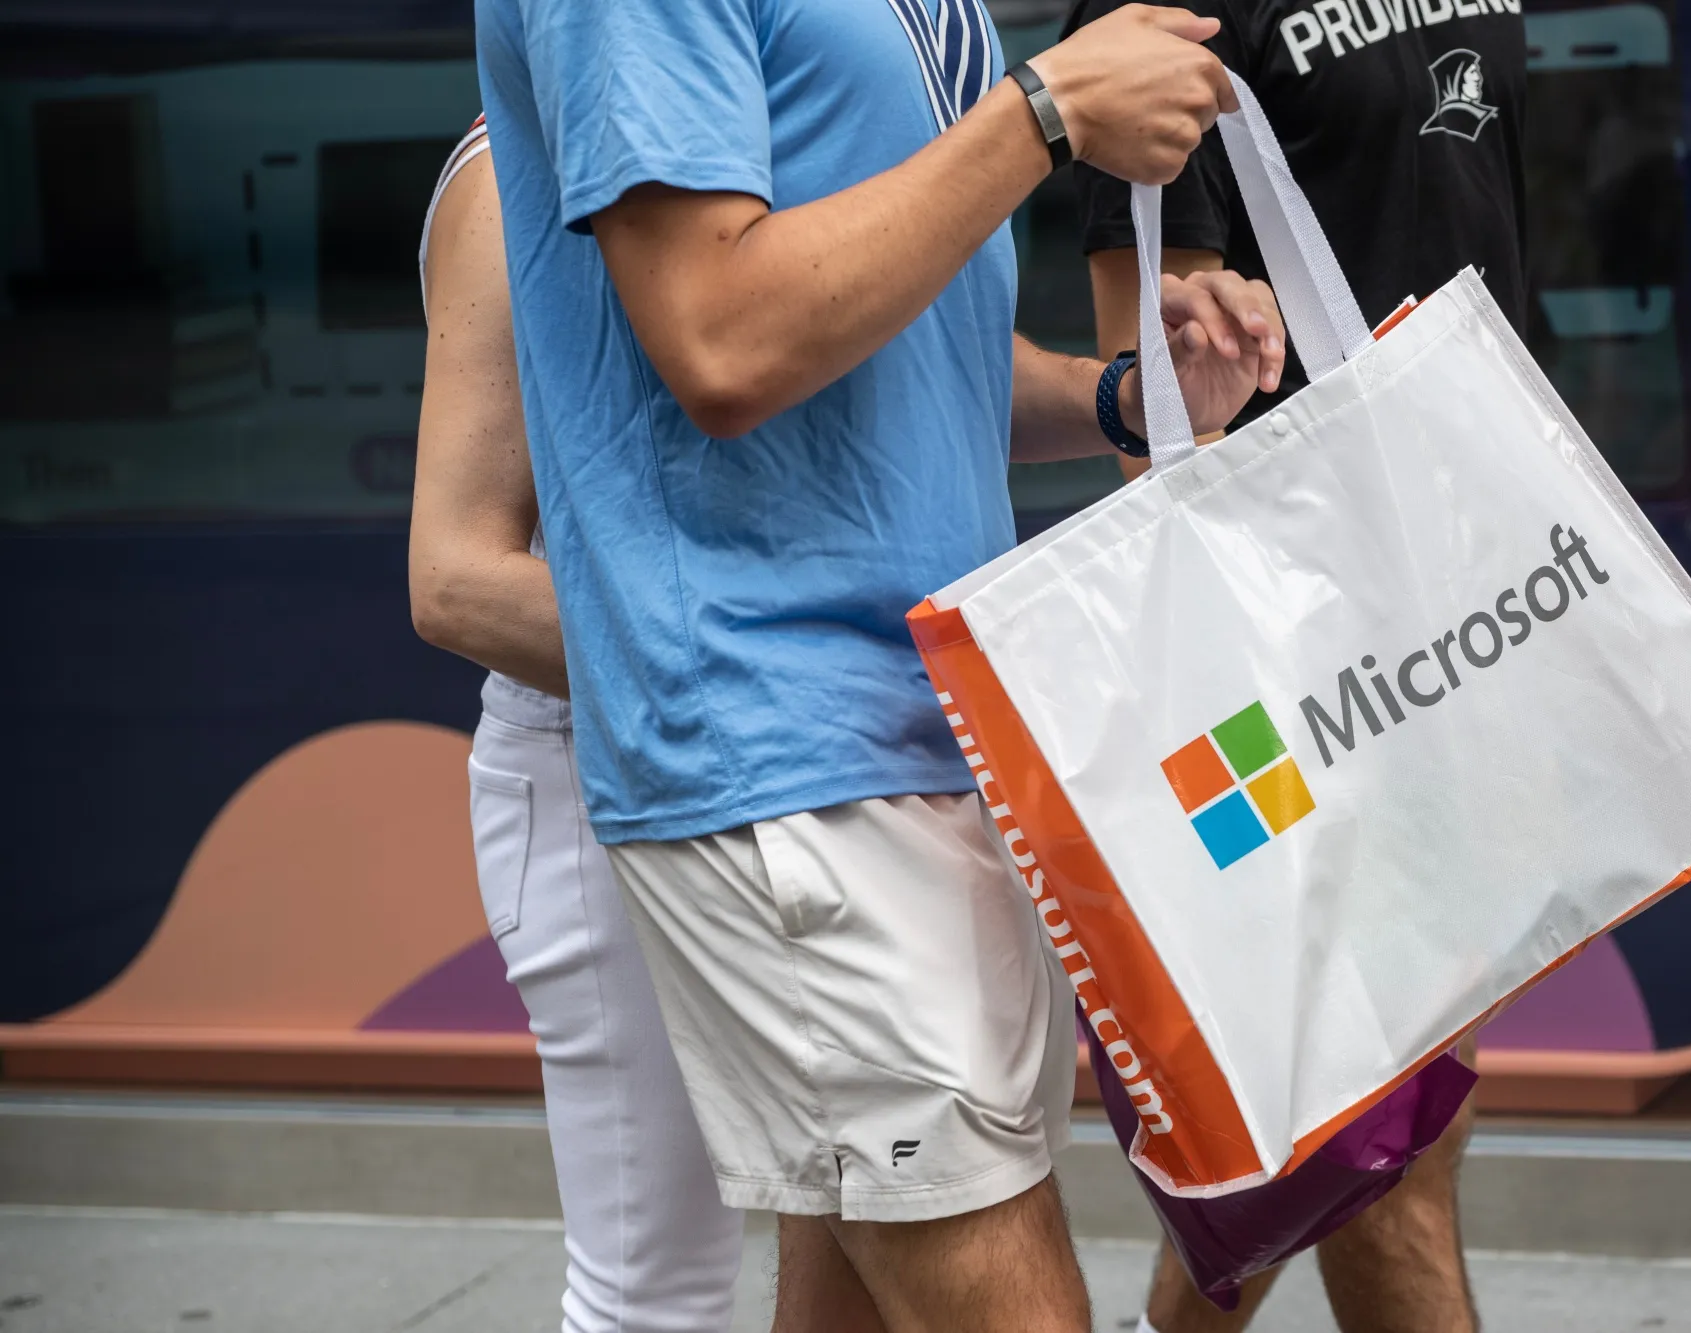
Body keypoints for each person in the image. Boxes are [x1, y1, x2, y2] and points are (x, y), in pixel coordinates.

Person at [471, 1, 1288, 1328]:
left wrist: (1118, 397)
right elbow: (723, 336)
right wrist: (1041, 115)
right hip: (778, 738)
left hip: (928, 725)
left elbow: (911, 347)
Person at [1067, 0, 1530, 1329]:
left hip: (1478, 593)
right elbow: (1154, 393)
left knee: (1353, 1127)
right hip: (1314, 646)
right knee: (1395, 1141)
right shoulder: (1164, 13)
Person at [408, 119, 746, 1333]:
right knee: (654, 1286)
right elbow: (455, 581)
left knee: (880, 1220)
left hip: (809, 758)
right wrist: (777, 658)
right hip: (607, 770)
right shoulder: (516, 174)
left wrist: (1112, 394)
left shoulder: (769, 120)